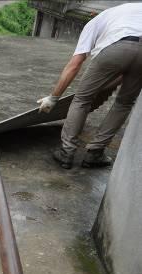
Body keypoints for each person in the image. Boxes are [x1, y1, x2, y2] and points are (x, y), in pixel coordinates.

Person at [37, 3, 142, 170]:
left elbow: (75, 64)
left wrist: (53, 97)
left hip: (116, 47)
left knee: (82, 99)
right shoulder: (132, 11)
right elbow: (127, 69)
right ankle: (95, 153)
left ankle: (67, 152)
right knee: (124, 104)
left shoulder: (95, 22)